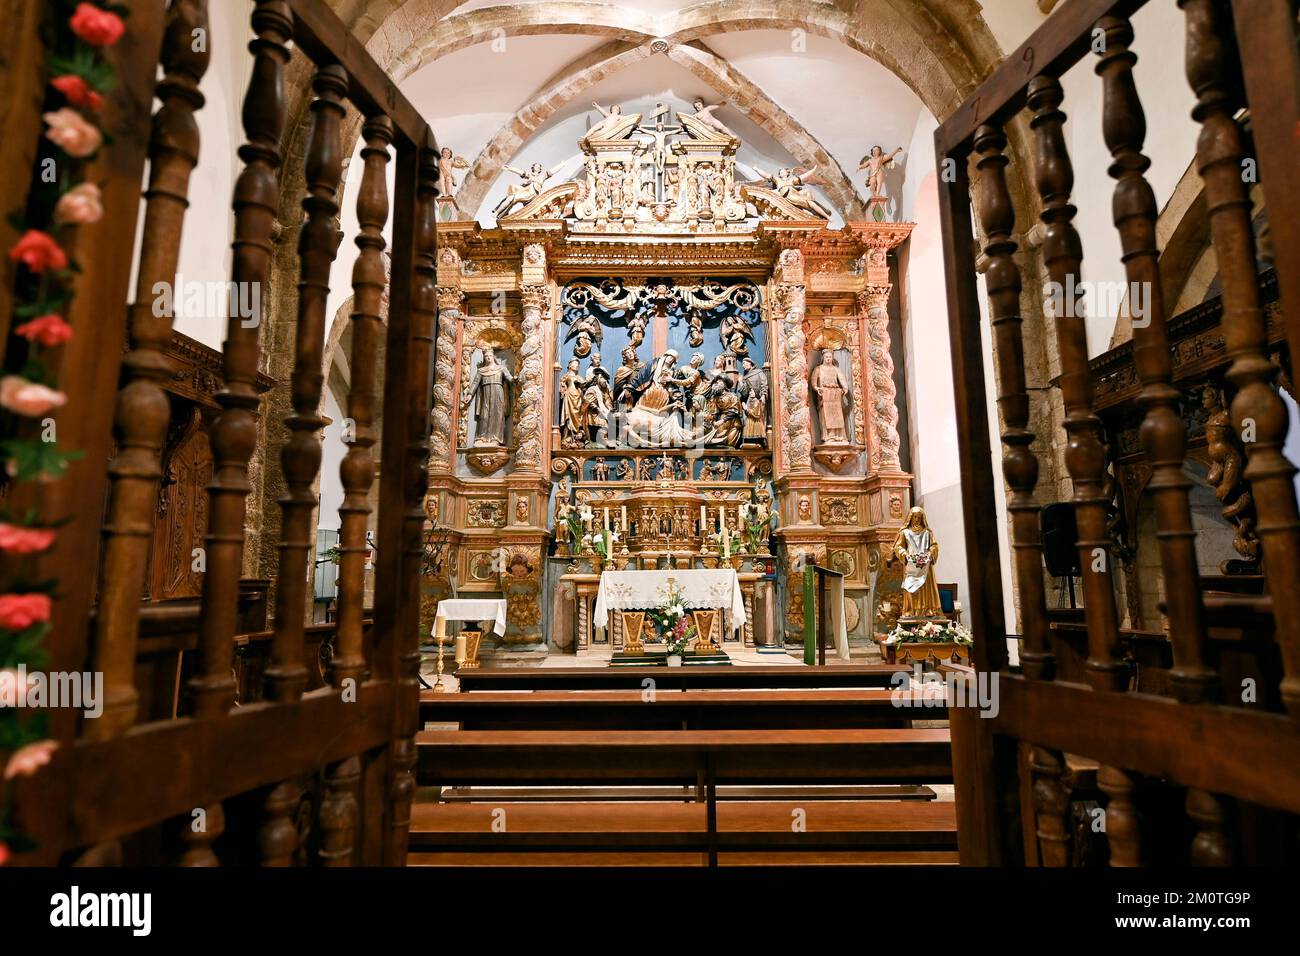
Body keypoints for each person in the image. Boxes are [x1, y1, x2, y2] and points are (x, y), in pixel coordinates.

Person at [892, 507, 943, 620]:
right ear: (910, 517)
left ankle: (927, 609)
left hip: (925, 565)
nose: (917, 519)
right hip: (911, 564)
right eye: (915, 517)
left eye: (919, 517)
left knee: (926, 587)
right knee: (911, 587)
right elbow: (898, 546)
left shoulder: (927, 532)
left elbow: (934, 546)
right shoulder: (904, 532)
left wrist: (929, 554)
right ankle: (911, 610)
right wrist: (905, 554)